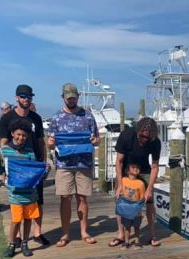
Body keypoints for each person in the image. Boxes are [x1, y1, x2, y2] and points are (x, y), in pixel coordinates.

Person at [47, 83, 100, 247]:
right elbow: (50, 143)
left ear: (78, 97)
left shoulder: (88, 116)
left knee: (82, 198)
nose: (71, 100)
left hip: (84, 164)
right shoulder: (56, 118)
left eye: (74, 97)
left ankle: (84, 231)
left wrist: (94, 140)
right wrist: (50, 143)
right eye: (68, 97)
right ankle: (65, 234)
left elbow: (97, 139)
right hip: (64, 164)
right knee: (65, 198)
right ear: (63, 98)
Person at [0, 85, 49, 246]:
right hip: (14, 166)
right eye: (23, 96)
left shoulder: (36, 118)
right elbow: (3, 143)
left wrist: (43, 161)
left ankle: (37, 233)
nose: (26, 99)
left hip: (33, 164)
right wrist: (2, 170)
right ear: (16, 98)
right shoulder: (7, 118)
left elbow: (41, 141)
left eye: (29, 97)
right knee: (18, 204)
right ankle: (18, 238)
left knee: (37, 201)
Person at [0, 118, 47, 258]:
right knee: (16, 220)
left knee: (28, 219)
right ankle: (11, 244)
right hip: (15, 193)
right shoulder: (4, 151)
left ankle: (25, 243)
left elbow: (34, 173)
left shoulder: (30, 152)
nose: (21, 138)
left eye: (24, 135)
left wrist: (44, 171)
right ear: (12, 133)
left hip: (30, 193)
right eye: (18, 134)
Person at [110, 117, 161, 247]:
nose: (144, 140)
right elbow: (119, 161)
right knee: (120, 201)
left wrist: (149, 188)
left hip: (144, 170)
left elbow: (155, 166)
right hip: (127, 169)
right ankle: (121, 234)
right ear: (137, 131)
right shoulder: (126, 135)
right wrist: (120, 184)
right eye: (141, 137)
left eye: (147, 138)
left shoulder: (155, 141)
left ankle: (152, 234)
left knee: (149, 202)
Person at [116, 159, 146, 249]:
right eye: (133, 167)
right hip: (126, 207)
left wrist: (139, 208)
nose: (136, 169)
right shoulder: (123, 180)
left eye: (137, 168)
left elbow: (142, 197)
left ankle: (137, 242)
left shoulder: (141, 183)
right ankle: (126, 242)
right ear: (127, 170)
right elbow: (119, 192)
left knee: (137, 226)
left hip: (136, 208)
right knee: (127, 226)